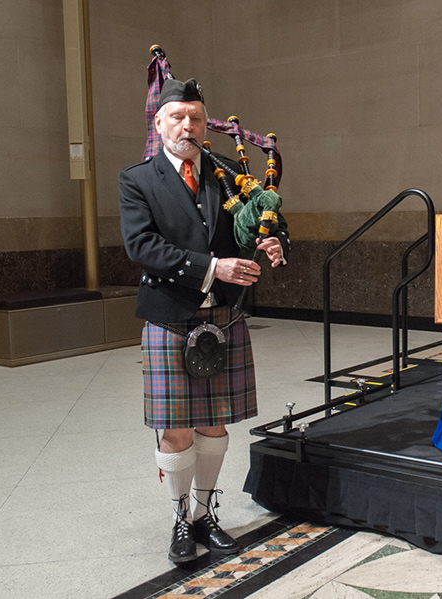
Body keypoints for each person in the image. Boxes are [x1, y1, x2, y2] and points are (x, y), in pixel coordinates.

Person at [119, 78, 289, 564]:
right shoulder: (137, 180)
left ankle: (203, 514)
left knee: (213, 426)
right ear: (159, 123)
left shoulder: (228, 172)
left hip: (224, 315)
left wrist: (273, 243)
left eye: (195, 117)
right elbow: (142, 247)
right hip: (171, 316)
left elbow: (264, 222)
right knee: (176, 429)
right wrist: (214, 267)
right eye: (177, 117)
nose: (187, 126)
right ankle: (178, 517)